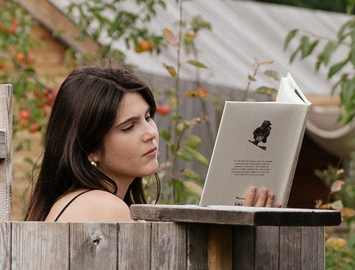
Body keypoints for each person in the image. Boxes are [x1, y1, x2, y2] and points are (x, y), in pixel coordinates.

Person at [25, 64, 273, 221]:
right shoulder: (102, 207)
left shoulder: (87, 201)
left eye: (148, 117)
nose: (150, 133)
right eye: (128, 127)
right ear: (90, 147)